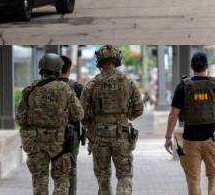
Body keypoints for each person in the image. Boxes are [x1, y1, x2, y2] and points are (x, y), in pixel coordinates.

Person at [164, 51, 215, 195]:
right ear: (207, 66)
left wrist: (168, 137)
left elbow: (173, 115)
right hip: (212, 140)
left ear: (191, 66)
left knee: (193, 179)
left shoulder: (183, 87)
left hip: (190, 141)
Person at [16, 53, 84, 195]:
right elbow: (79, 114)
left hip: (36, 142)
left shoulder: (30, 90)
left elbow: (20, 118)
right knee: (62, 180)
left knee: (40, 181)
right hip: (60, 142)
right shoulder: (65, 88)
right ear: (59, 69)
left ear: (41, 68)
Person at [80, 46, 144, 195]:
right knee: (124, 175)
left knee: (103, 177)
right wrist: (126, 116)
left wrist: (91, 124)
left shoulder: (92, 85)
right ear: (116, 60)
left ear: (99, 62)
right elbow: (139, 109)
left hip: (99, 135)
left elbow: (81, 113)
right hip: (121, 134)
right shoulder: (128, 82)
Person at [59, 55, 84, 195]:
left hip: (49, 135)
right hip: (71, 134)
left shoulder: (43, 86)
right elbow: (83, 113)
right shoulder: (77, 87)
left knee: (56, 168)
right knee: (71, 168)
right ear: (69, 68)